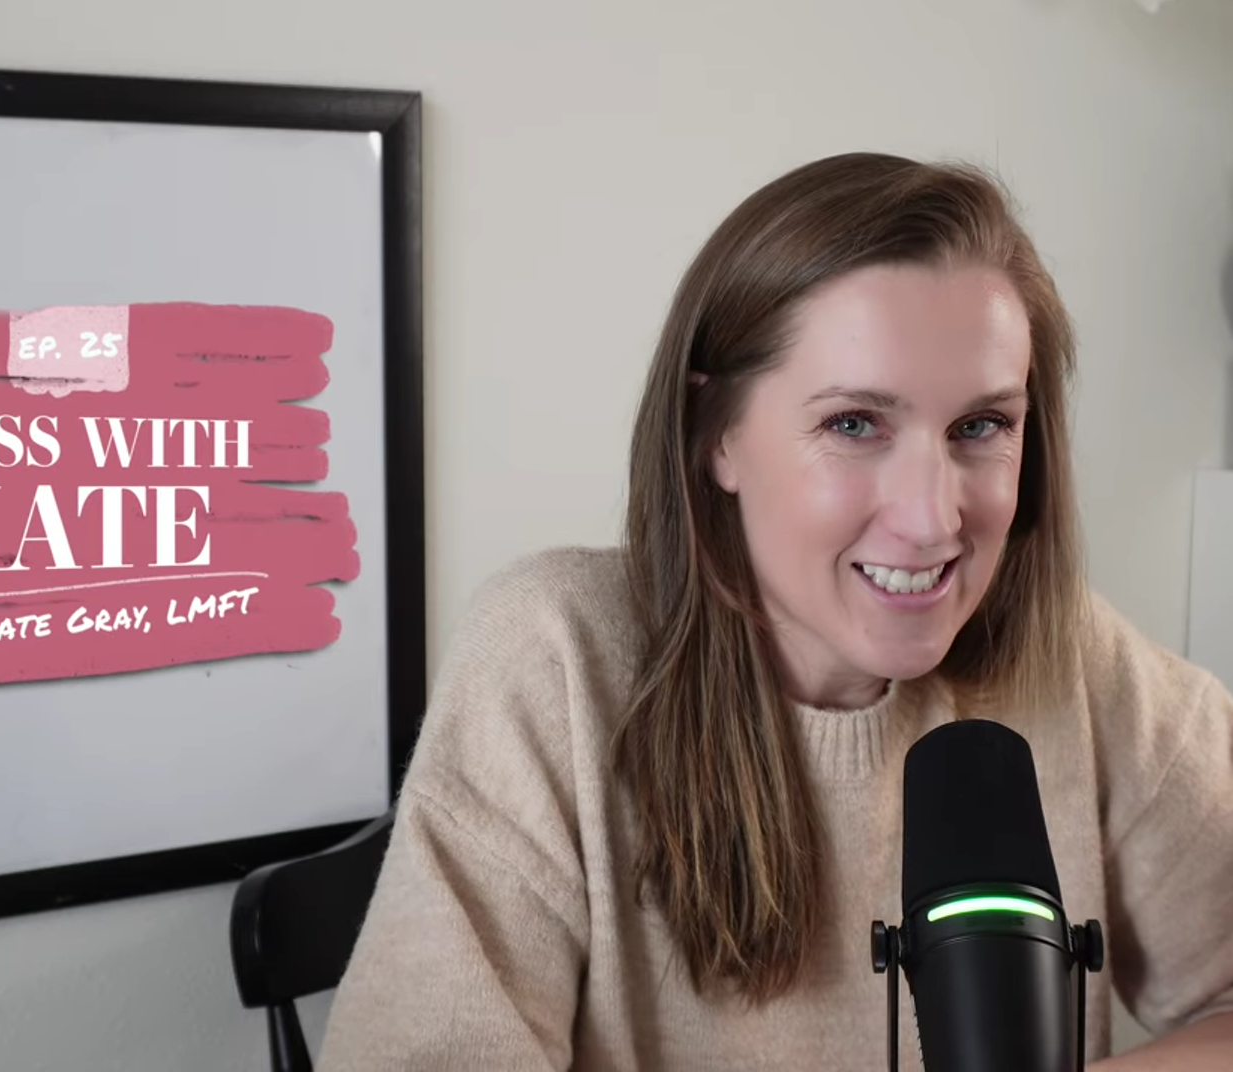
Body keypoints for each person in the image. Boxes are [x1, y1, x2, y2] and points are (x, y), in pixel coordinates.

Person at [315, 152, 1233, 1070]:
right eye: (853, 424)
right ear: (717, 434)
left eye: (980, 426)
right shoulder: (553, 657)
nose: (934, 517)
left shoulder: (1070, 657)